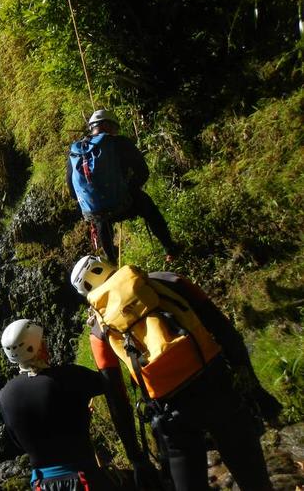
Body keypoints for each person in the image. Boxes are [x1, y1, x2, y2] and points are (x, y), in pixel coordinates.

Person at [70, 255, 282, 491]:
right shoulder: (168, 281)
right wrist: (254, 387)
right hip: (217, 387)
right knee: (256, 483)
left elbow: (117, 399)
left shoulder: (100, 332)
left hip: (171, 416)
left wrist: (137, 459)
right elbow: (226, 333)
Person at [0, 319, 116, 491]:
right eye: (42, 341)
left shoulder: (5, 394)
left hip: (41, 483)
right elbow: (108, 382)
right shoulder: (68, 376)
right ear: (37, 347)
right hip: (83, 478)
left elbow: (17, 440)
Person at [66, 110, 178, 264]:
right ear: (106, 125)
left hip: (95, 212)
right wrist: (129, 189)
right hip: (122, 203)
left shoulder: (76, 152)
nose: (116, 131)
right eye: (115, 127)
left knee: (100, 219)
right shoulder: (119, 142)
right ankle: (171, 251)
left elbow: (72, 191)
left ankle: (111, 264)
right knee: (149, 207)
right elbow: (143, 172)